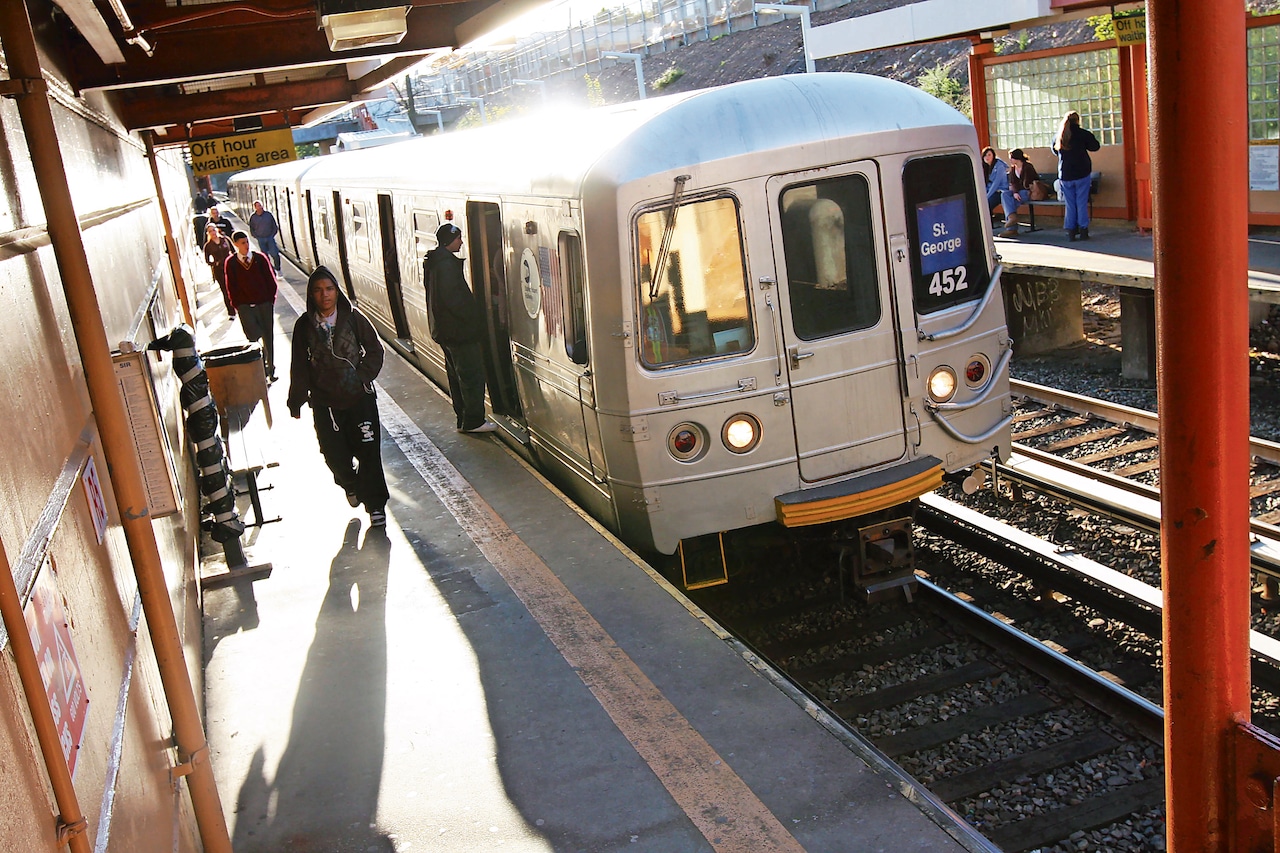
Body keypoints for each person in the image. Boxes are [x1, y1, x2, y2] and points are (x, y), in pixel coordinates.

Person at [287, 266, 389, 527]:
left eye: (329, 289)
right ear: (311, 295)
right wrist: (296, 399)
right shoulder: (304, 326)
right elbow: (299, 365)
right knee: (333, 454)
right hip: (326, 403)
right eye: (318, 291)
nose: (325, 295)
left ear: (336, 291)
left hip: (359, 398)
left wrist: (362, 376)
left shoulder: (354, 319)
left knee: (369, 452)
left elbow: (375, 350)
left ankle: (375, 505)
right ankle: (349, 482)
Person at [424, 222, 497, 434]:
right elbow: (454, 300)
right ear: (450, 240)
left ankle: (463, 418)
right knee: (470, 375)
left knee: (456, 377)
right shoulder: (446, 266)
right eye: (459, 239)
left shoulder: (435, 262)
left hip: (446, 331)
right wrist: (475, 319)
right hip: (459, 332)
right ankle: (473, 421)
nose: (461, 242)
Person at [222, 230, 279, 382]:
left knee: (268, 336)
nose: (246, 245)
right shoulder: (231, 263)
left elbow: (271, 280)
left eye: (247, 242)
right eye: (242, 243)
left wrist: (270, 301)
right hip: (245, 307)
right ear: (235, 245)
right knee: (253, 336)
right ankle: (261, 363)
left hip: (264, 305)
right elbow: (231, 286)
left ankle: (270, 369)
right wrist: (238, 305)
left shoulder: (260, 258)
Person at [1052, 110, 1101, 241]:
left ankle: (1071, 231)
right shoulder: (1083, 134)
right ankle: (1083, 230)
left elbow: (1055, 151)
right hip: (1082, 172)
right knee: (1081, 202)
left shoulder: (1059, 136)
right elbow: (1095, 146)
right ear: (1077, 120)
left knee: (1070, 204)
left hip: (1065, 174)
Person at [999, 149, 1041, 238]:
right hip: (1018, 192)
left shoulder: (1028, 167)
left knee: (1011, 202)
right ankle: (1012, 218)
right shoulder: (1013, 169)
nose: (1010, 160)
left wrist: (1016, 192)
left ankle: (1012, 229)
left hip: (1029, 192)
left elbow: (1027, 184)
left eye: (1011, 158)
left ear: (1017, 158)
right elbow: (1012, 183)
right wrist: (1015, 192)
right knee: (1005, 195)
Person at [248, 200, 282, 272]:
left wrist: (272, 234)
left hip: (270, 237)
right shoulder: (253, 217)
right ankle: (271, 270)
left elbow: (274, 226)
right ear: (255, 207)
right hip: (260, 239)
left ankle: (278, 268)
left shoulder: (268, 215)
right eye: (257, 206)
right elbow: (251, 228)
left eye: (260, 205)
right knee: (265, 256)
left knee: (275, 254)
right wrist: (256, 236)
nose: (259, 207)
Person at [982, 147, 1009, 224]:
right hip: (989, 190)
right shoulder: (985, 167)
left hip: (999, 191)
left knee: (987, 203)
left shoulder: (999, 166)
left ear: (993, 156)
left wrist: (987, 196)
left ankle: (989, 224)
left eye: (989, 155)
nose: (987, 157)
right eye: (985, 155)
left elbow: (996, 183)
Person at [202, 223, 232, 291]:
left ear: (217, 230)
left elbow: (234, 251)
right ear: (208, 233)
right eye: (210, 231)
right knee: (225, 290)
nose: (213, 232)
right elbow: (207, 261)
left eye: (213, 230)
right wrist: (215, 263)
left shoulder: (225, 239)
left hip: (230, 266)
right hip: (219, 270)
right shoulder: (208, 246)